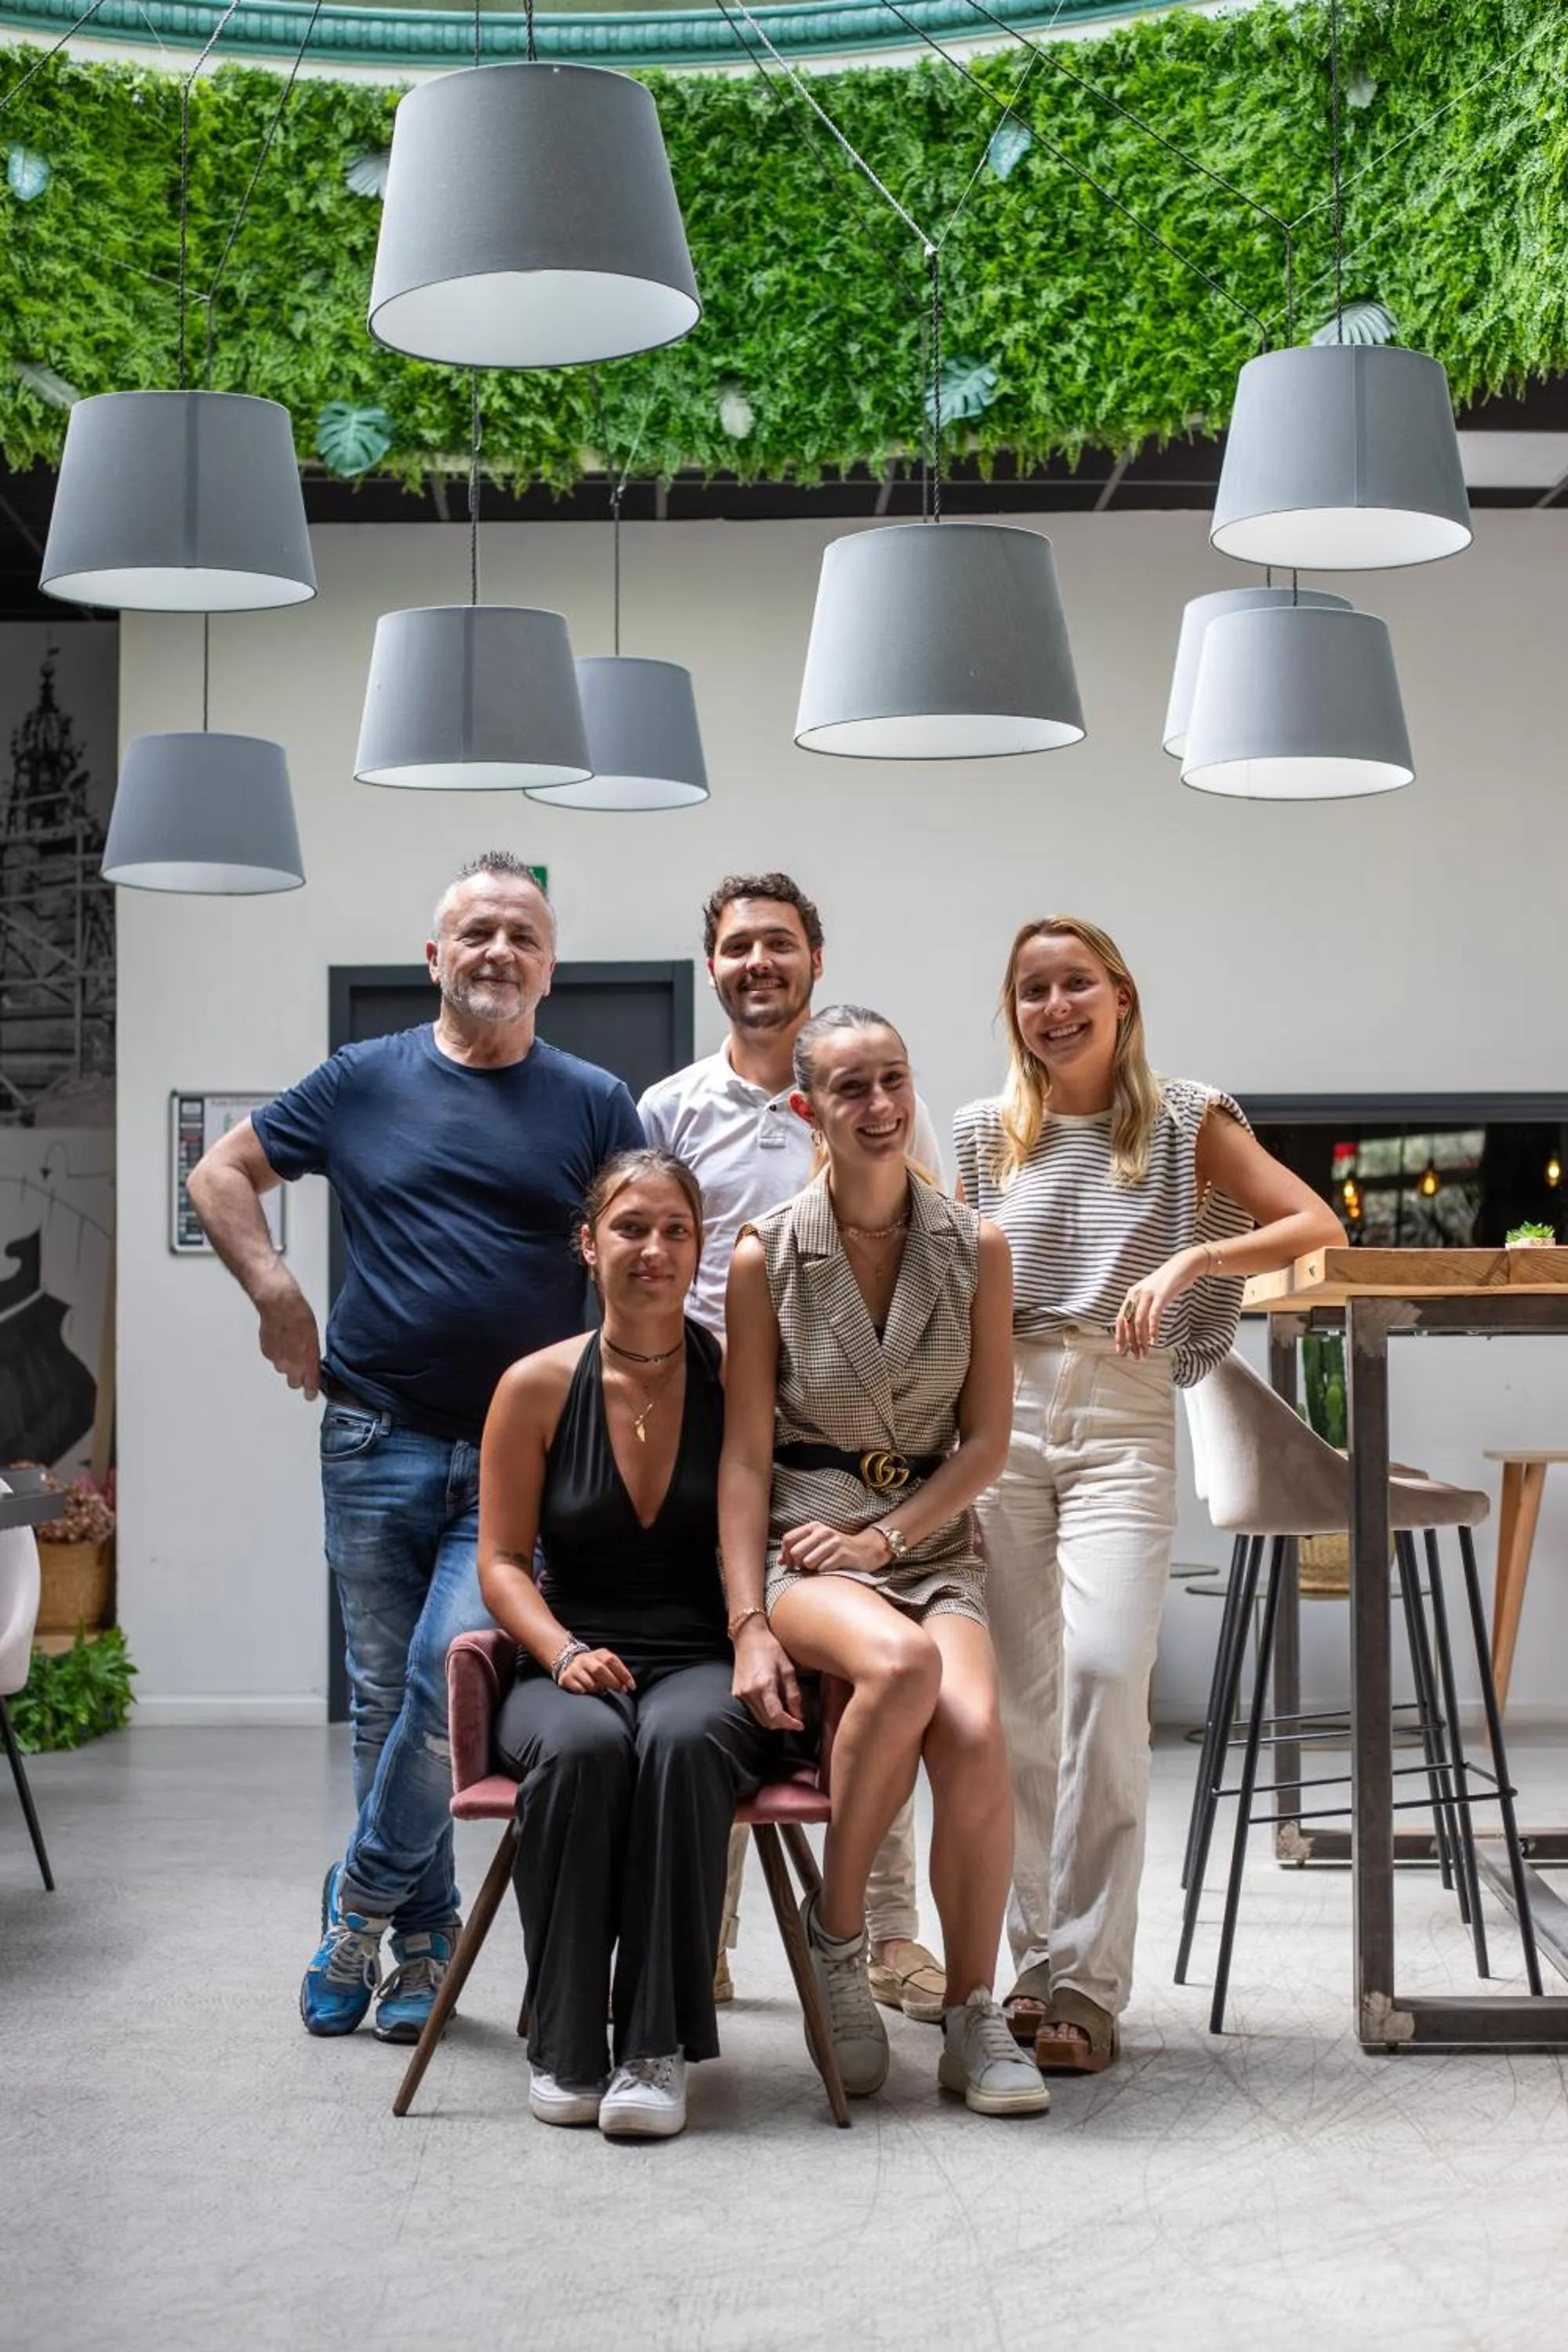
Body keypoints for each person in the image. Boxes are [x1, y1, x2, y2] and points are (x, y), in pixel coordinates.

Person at [187, 853, 643, 2045]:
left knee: (454, 1682)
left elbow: (645, 1245)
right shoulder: (360, 1081)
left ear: (550, 969)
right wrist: (277, 1289)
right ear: (436, 957)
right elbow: (220, 1171)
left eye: (522, 937)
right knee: (391, 1697)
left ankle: (359, 1900)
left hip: (523, 1457)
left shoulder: (594, 1101)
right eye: (475, 933)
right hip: (374, 1435)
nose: (498, 952)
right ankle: (426, 1945)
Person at [954, 915, 1345, 2072]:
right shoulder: (984, 1137)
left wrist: (1189, 1261)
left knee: (1105, 1673)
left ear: (1121, 995)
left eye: (1076, 982)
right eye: (1033, 989)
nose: (1055, 1005)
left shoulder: (1186, 1123)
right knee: (1016, 1707)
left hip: (1123, 1412)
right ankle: (1038, 1976)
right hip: (1004, 1418)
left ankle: (1090, 1979)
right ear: (1013, 1010)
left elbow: (1315, 1220)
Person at [718, 1004, 1049, 2118]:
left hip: (927, 1541)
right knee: (903, 1670)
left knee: (974, 1730)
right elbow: (744, 1459)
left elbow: (989, 1441)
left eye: (893, 1082)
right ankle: (841, 1942)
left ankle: (971, 2012)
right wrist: (748, 1617)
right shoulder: (768, 1255)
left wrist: (891, 1537)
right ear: (811, 1109)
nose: (879, 1107)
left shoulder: (975, 1246)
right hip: (809, 1545)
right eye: (851, 1089)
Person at [639, 873, 949, 2024]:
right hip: (713, 1436)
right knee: (730, 1672)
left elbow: (934, 1260)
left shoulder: (873, 1099)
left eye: (779, 943)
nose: (757, 962)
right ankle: (707, 1938)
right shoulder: (668, 1109)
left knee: (883, 1664)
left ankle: (886, 1936)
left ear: (816, 959)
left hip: (858, 1444)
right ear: (711, 969)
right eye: (736, 947)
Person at [479, 1149, 781, 2141]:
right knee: (581, 1748)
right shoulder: (531, 1386)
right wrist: (561, 1651)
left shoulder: (736, 1377)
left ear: (698, 1248)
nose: (652, 1249)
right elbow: (501, 1563)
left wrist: (751, 1632)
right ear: (587, 1242)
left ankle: (656, 2045)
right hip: (570, 1654)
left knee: (686, 1743)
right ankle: (565, 2040)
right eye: (629, 1227)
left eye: (674, 1231)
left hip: (701, 1654)